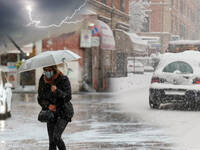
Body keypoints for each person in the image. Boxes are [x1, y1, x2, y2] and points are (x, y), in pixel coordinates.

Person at [37, 65, 72, 150]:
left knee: (56, 137)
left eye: (49, 70)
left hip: (63, 111)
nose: (47, 72)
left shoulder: (63, 79)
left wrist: (57, 91)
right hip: (51, 113)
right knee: (51, 142)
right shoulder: (42, 80)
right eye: (45, 70)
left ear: (54, 70)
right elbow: (40, 98)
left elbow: (68, 97)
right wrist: (48, 105)